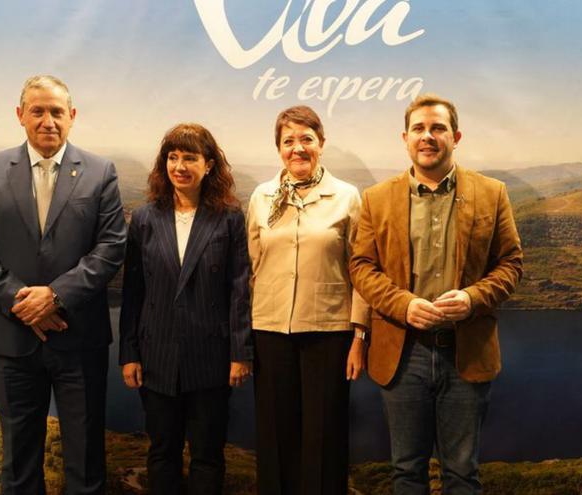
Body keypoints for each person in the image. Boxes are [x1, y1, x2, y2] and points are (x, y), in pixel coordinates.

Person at [0, 75, 126, 495]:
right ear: (20, 116)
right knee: (18, 463)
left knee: (86, 466)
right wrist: (19, 301)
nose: (48, 120)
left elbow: (111, 247)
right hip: (13, 340)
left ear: (72, 117)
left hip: (79, 340)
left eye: (56, 111)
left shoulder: (101, 172)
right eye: (37, 111)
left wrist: (55, 297)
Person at [349, 94, 523, 494]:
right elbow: (361, 267)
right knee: (406, 471)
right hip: (402, 353)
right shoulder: (377, 199)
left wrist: (473, 299)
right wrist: (404, 305)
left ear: (456, 136)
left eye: (438, 128)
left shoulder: (492, 193)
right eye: (419, 129)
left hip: (466, 352)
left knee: (462, 472)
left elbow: (511, 264)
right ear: (405, 138)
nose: (428, 137)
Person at [119, 123, 253, 494]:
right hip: (156, 355)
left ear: (208, 165)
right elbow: (133, 291)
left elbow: (240, 289)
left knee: (208, 455)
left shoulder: (229, 219)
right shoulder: (145, 218)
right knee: (162, 452)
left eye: (189, 158)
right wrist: (128, 353)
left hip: (210, 356)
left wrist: (241, 354)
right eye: (172, 157)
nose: (179, 166)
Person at [246, 105, 369, 495]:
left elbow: (362, 269)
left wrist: (359, 335)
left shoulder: (347, 197)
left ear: (321, 143)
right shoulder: (261, 197)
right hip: (269, 331)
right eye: (288, 141)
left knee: (324, 438)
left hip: (329, 333)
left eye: (306, 140)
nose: (297, 149)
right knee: (275, 437)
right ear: (278, 148)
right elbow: (250, 268)